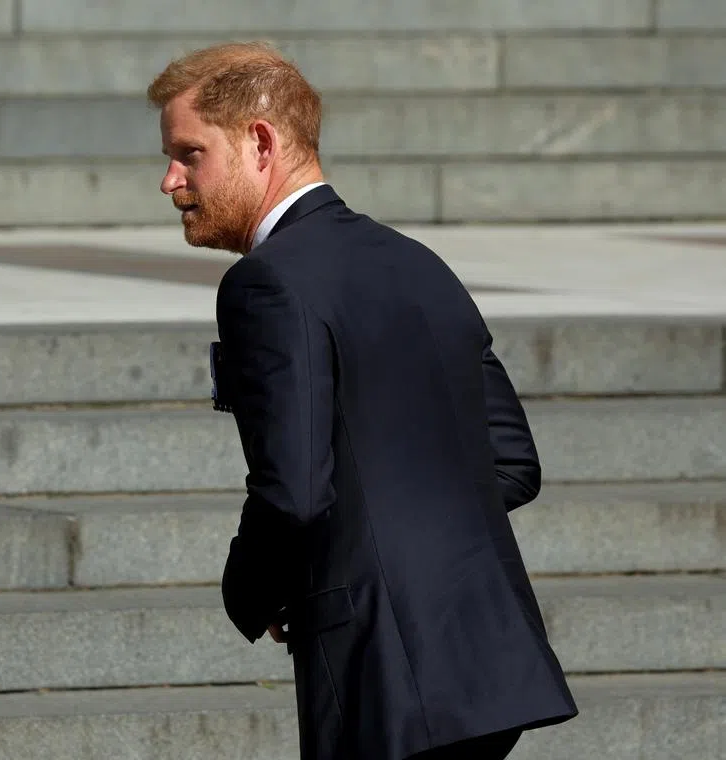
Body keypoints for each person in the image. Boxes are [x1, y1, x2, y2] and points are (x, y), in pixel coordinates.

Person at [146, 42, 578, 760]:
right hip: (487, 663)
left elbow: (294, 493)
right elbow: (509, 464)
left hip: (384, 677)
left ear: (259, 142)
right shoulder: (418, 263)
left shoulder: (265, 285)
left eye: (189, 154)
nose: (169, 180)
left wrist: (251, 591)